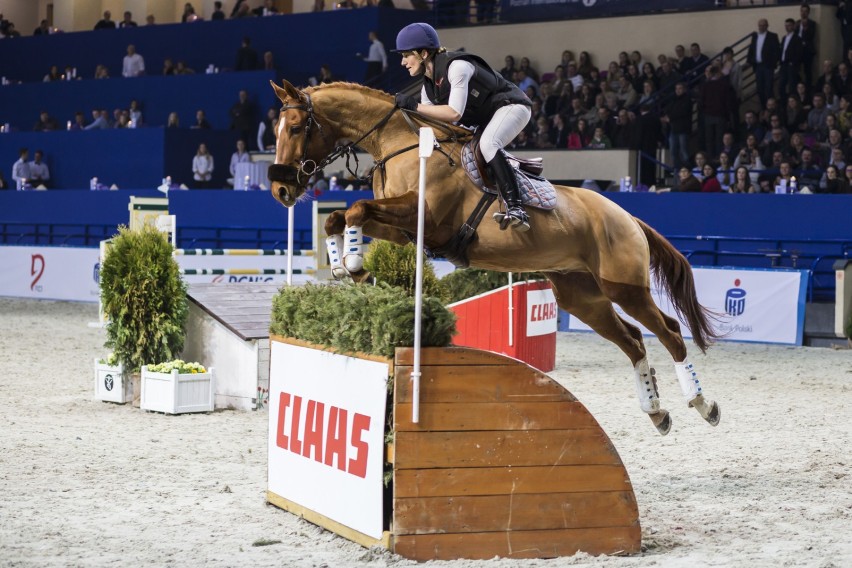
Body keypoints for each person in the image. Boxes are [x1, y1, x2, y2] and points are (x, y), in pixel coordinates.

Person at [391, 22, 533, 231]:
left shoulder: (457, 67)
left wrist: (413, 105)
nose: (403, 62)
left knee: (488, 144)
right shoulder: (427, 90)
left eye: (406, 55)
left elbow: (453, 113)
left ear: (422, 53)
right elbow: (433, 127)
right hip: (486, 119)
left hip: (511, 107)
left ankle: (516, 208)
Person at [746, 18, 780, 108]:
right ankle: (763, 108)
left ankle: (771, 108)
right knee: (760, 89)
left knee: (768, 88)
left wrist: (773, 63)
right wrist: (749, 61)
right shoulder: (755, 36)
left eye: (763, 25)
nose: (761, 27)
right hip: (758, 66)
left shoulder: (772, 36)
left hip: (768, 66)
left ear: (767, 26)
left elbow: (776, 51)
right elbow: (752, 49)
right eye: (760, 25)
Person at [779, 18, 803, 101]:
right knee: (781, 85)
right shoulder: (784, 38)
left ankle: (792, 102)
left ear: (793, 26)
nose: (787, 27)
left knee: (792, 85)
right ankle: (784, 102)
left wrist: (793, 63)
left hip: (791, 65)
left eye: (789, 25)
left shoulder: (797, 38)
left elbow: (799, 53)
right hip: (783, 64)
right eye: (786, 26)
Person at [796, 3, 818, 89]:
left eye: (805, 11)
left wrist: (805, 28)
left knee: (808, 72)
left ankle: (808, 89)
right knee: (795, 71)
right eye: (802, 11)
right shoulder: (797, 23)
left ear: (808, 12)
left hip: (807, 51)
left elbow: (811, 36)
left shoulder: (812, 23)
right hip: (797, 51)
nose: (803, 13)